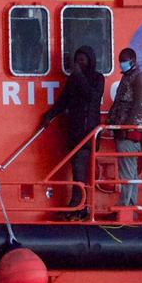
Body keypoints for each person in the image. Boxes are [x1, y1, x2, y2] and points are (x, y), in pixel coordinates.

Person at [40, 45, 107, 217]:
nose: (79, 64)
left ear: (89, 61)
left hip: (88, 132)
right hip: (75, 130)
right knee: (76, 168)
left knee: (79, 169)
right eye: (77, 61)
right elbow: (64, 101)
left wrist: (78, 76)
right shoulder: (72, 80)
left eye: (82, 60)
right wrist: (49, 115)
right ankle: (78, 204)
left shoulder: (97, 78)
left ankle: (80, 205)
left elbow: (93, 96)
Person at [105, 47, 142, 210]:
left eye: (124, 60)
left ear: (132, 60)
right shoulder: (127, 76)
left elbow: (137, 103)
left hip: (129, 130)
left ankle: (126, 204)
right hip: (123, 127)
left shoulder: (138, 76)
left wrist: (127, 126)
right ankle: (130, 203)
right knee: (129, 168)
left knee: (127, 169)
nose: (121, 63)